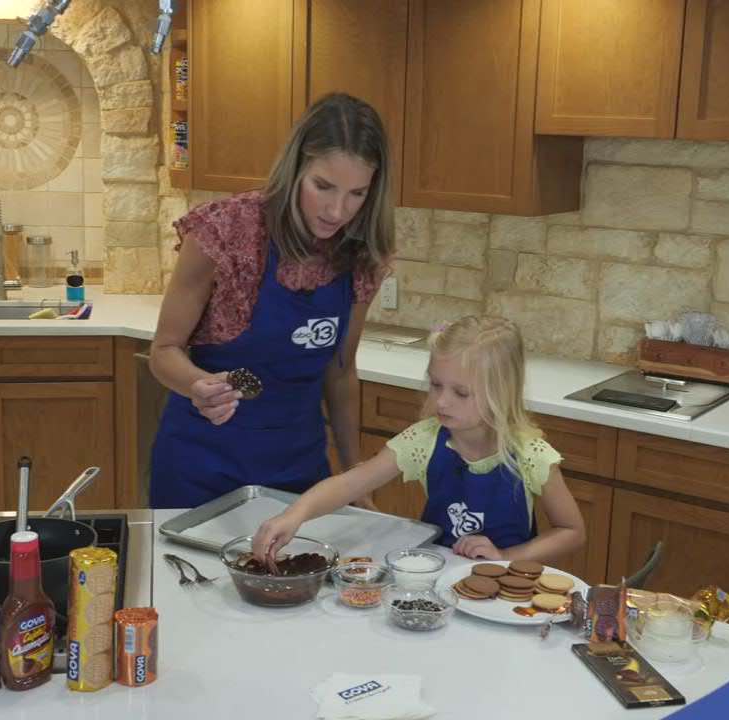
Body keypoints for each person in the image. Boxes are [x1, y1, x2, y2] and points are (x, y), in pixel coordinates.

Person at [148, 93, 393, 509]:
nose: (337, 211)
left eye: (357, 193)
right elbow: (164, 351)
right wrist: (197, 386)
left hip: (299, 473)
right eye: (323, 186)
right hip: (200, 469)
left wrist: (356, 477)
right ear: (295, 168)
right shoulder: (225, 231)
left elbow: (340, 372)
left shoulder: (361, 253)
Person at [253, 316, 586, 564]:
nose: (442, 401)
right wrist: (294, 515)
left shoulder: (531, 455)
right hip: (437, 576)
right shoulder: (424, 440)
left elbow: (572, 532)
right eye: (436, 385)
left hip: (506, 587)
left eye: (461, 392)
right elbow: (350, 483)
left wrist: (505, 557)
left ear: (501, 393)